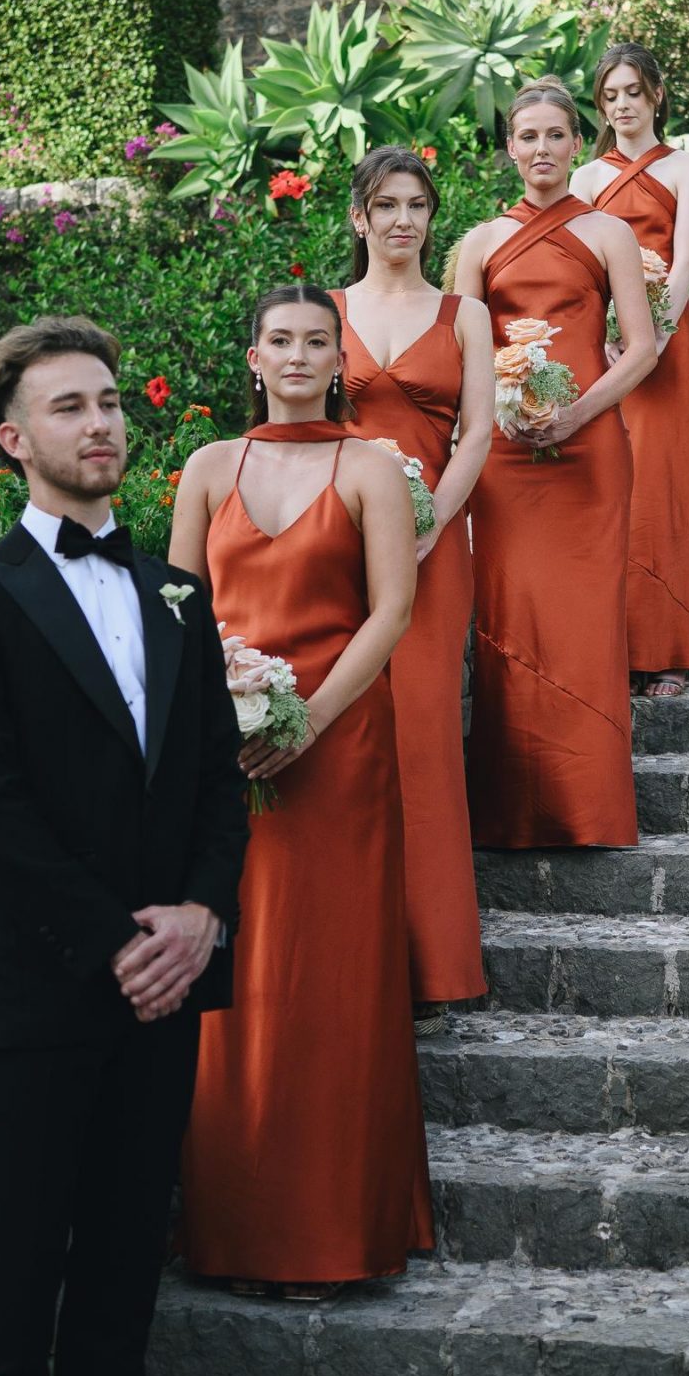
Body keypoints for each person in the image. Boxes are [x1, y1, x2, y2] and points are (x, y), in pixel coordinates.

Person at [0, 315, 248, 1376]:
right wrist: (119, 942)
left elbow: (217, 780)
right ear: (13, 439)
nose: (100, 422)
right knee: (12, 1294)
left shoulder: (177, 595)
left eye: (108, 401)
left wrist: (203, 914)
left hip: (165, 996)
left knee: (121, 1286)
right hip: (39, 996)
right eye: (69, 406)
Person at [169, 282, 431, 1292]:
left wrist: (307, 723)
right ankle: (236, 1231)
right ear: (253, 357)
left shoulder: (370, 467)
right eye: (278, 339)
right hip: (227, 754)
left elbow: (391, 611)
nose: (296, 355)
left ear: (337, 359)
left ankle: (336, 1233)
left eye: (316, 340)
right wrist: (216, 725)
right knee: (236, 981)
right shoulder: (208, 468)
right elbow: (180, 611)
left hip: (341, 750)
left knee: (332, 980)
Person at [453, 82, 660, 849]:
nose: (541, 148)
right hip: (505, 459)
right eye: (527, 135)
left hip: (588, 453)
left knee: (583, 625)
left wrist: (577, 414)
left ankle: (587, 809)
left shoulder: (608, 233)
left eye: (555, 134)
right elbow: (459, 355)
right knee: (510, 617)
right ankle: (513, 811)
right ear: (509, 147)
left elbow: (641, 348)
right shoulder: (477, 243)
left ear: (578, 143)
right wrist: (495, 419)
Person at [332, 147, 493, 1022]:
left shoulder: (465, 315)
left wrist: (430, 525)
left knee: (423, 736)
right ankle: (352, 953)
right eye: (386, 204)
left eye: (417, 205)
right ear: (358, 218)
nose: (403, 220)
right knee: (348, 734)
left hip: (434, 549)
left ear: (433, 219)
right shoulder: (324, 312)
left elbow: (478, 435)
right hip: (338, 547)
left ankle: (432, 965)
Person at [573, 42, 689, 695]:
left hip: (666, 345)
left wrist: (650, 338)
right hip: (600, 350)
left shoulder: (685, 167)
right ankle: (614, 650)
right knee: (608, 489)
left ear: (656, 94)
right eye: (610, 96)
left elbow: (684, 262)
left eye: (633, 91)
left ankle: (667, 650)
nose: (622, 104)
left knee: (662, 489)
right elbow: (578, 272)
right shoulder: (584, 179)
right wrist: (604, 337)